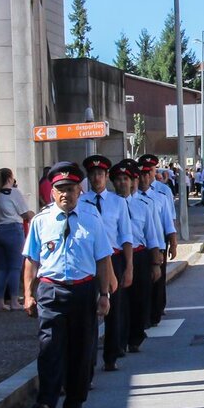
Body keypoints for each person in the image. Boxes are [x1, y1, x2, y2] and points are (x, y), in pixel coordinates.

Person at [22, 162, 112, 408]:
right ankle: (46, 402)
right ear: (52, 192)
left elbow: (103, 260)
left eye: (70, 189)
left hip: (83, 290)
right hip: (51, 290)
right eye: (60, 189)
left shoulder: (92, 220)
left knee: (81, 351)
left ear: (79, 190)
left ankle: (75, 401)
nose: (65, 194)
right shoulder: (41, 221)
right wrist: (28, 294)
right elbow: (31, 260)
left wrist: (104, 295)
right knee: (49, 347)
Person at [80, 155, 133, 372]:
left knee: (114, 309)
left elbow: (126, 236)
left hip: (114, 258)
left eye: (100, 174)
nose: (96, 178)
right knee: (89, 313)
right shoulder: (81, 203)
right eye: (92, 174)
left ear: (106, 177)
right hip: (89, 261)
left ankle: (111, 355)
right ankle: (88, 361)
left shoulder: (117, 202)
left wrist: (129, 267)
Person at [123, 159, 165, 354]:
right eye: (120, 179)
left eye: (129, 179)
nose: (125, 183)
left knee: (139, 299)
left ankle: (135, 337)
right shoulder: (111, 205)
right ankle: (118, 341)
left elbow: (152, 235)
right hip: (117, 256)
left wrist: (156, 262)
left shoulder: (144, 205)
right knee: (119, 302)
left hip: (140, 255)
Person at [136, 155, 178, 327]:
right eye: (143, 173)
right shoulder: (133, 196)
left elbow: (169, 219)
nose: (146, 176)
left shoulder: (161, 192)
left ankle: (156, 309)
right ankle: (145, 313)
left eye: (150, 171)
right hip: (141, 245)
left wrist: (173, 242)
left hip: (159, 240)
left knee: (157, 279)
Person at [0, 168, 35, 310]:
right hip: (13, 231)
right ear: (10, 178)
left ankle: (0, 301)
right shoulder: (14, 193)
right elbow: (25, 214)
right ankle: (14, 301)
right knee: (15, 267)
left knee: (2, 268)